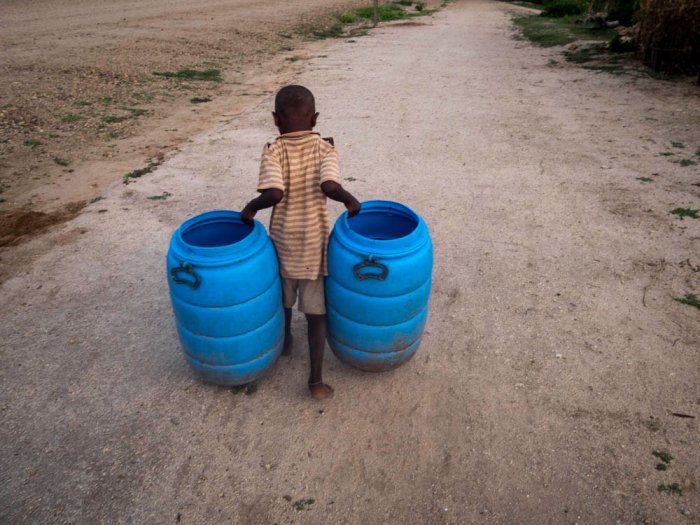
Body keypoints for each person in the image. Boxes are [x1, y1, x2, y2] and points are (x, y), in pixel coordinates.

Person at [242, 85, 360, 400]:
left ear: (276, 119)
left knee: (282, 302)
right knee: (316, 315)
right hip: (313, 249)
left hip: (282, 245)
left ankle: (284, 344)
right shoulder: (325, 148)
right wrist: (350, 199)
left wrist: (250, 208)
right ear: (316, 118)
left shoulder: (273, 149)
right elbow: (330, 185)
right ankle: (316, 381)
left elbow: (274, 193)